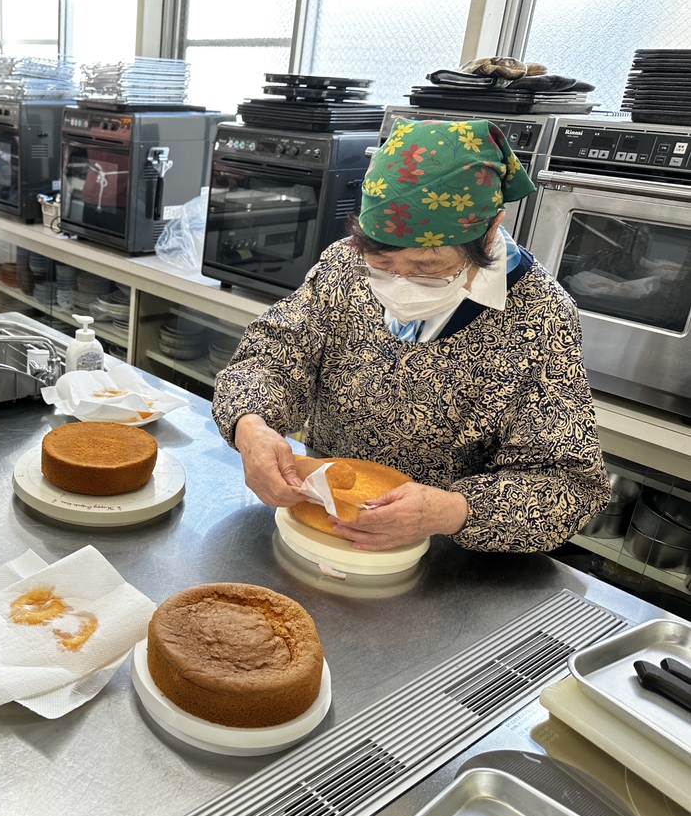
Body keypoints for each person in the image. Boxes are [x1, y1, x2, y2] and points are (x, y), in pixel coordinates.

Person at [212, 117, 611, 553]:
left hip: (443, 557)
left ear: (491, 229)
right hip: (321, 521)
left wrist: (453, 512)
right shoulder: (344, 266)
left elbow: (569, 487)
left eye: (428, 268)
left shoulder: (540, 317)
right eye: (382, 266)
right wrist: (250, 425)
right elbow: (270, 358)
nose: (400, 285)